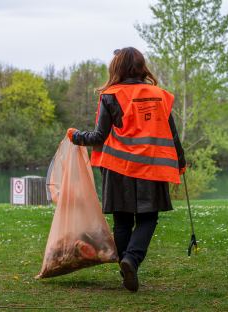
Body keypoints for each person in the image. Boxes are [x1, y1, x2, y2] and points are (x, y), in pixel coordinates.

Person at [66, 47, 186, 292]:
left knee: (122, 221)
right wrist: (180, 163)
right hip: (152, 168)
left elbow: (99, 136)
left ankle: (126, 264)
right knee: (148, 218)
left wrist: (76, 136)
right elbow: (172, 135)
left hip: (118, 167)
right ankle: (131, 260)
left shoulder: (110, 95)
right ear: (142, 67)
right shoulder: (160, 95)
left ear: (117, 68)